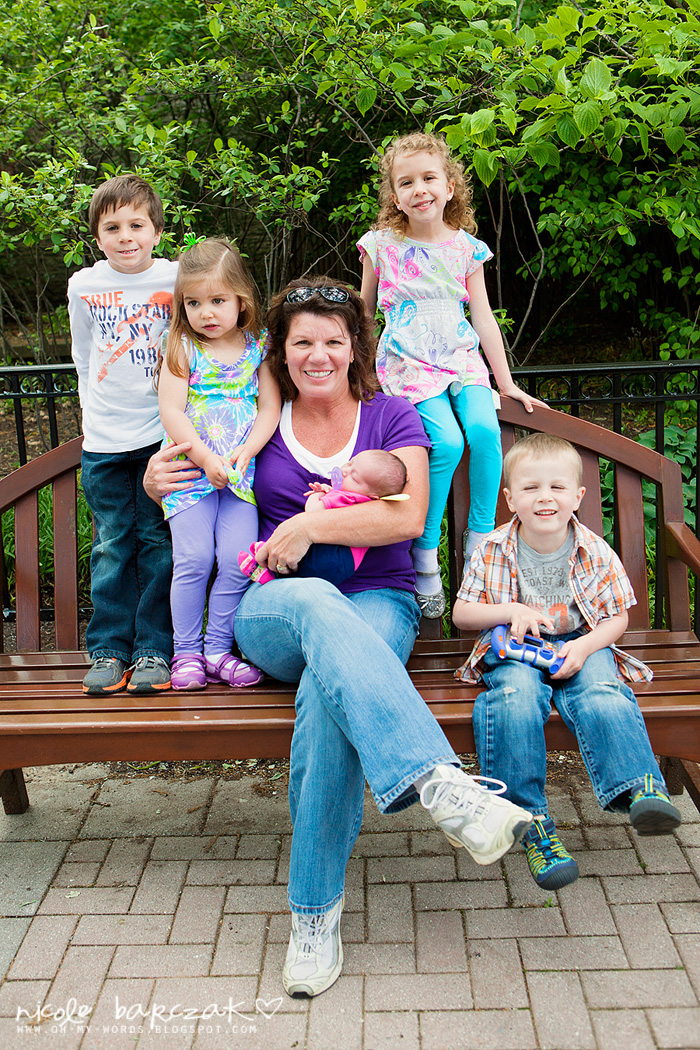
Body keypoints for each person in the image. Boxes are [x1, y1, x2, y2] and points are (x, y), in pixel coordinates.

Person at [147, 276, 534, 998]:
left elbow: (406, 517)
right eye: (302, 342)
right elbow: (188, 468)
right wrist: (156, 480)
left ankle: (313, 916)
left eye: (333, 339)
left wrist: (308, 524)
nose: (318, 355)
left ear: (355, 345)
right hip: (275, 608)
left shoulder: (392, 416)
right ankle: (439, 781)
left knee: (326, 705)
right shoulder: (258, 420)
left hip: (381, 602)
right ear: (281, 351)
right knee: (317, 600)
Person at [452, 433, 682, 892]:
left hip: (582, 642)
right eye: (531, 487)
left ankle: (641, 789)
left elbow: (617, 617)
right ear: (510, 499)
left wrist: (585, 646)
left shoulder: (593, 549)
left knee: (603, 691)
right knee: (514, 699)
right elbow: (462, 614)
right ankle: (529, 822)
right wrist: (509, 610)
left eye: (557, 487)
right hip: (518, 649)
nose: (545, 497)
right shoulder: (493, 548)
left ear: (577, 497)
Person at [358, 131, 545, 618]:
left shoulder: (467, 249)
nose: (419, 189)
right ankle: (424, 554)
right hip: (409, 360)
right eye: (406, 182)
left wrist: (506, 382)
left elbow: (482, 317)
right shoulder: (381, 246)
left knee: (483, 432)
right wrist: (359, 374)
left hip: (461, 357)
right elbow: (363, 315)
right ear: (394, 195)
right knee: (445, 442)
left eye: (429, 178)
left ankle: (480, 540)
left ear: (449, 187)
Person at [69, 174, 178, 696]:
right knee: (112, 545)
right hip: (105, 441)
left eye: (137, 225)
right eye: (112, 227)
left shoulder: (177, 279)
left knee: (157, 542)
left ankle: (154, 648)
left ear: (157, 231)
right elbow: (82, 354)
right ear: (97, 236)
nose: (126, 236)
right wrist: (90, 414)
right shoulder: (83, 285)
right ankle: (109, 649)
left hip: (161, 435)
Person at [157, 239, 281, 691]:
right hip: (190, 473)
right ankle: (186, 653)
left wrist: (246, 452)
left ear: (240, 300)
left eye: (217, 301)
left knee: (236, 560)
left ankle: (217, 650)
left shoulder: (258, 346)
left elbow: (269, 408)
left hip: (239, 475)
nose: (205, 313)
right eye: (193, 303)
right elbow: (171, 411)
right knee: (192, 560)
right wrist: (205, 458)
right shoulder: (181, 345)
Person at [238, 448, 408, 585]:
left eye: (354, 477)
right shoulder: (367, 504)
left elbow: (312, 513)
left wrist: (318, 495)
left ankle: (267, 567)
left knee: (298, 555)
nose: (345, 471)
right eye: (350, 463)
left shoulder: (346, 497)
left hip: (332, 556)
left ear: (373, 496)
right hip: (346, 565)